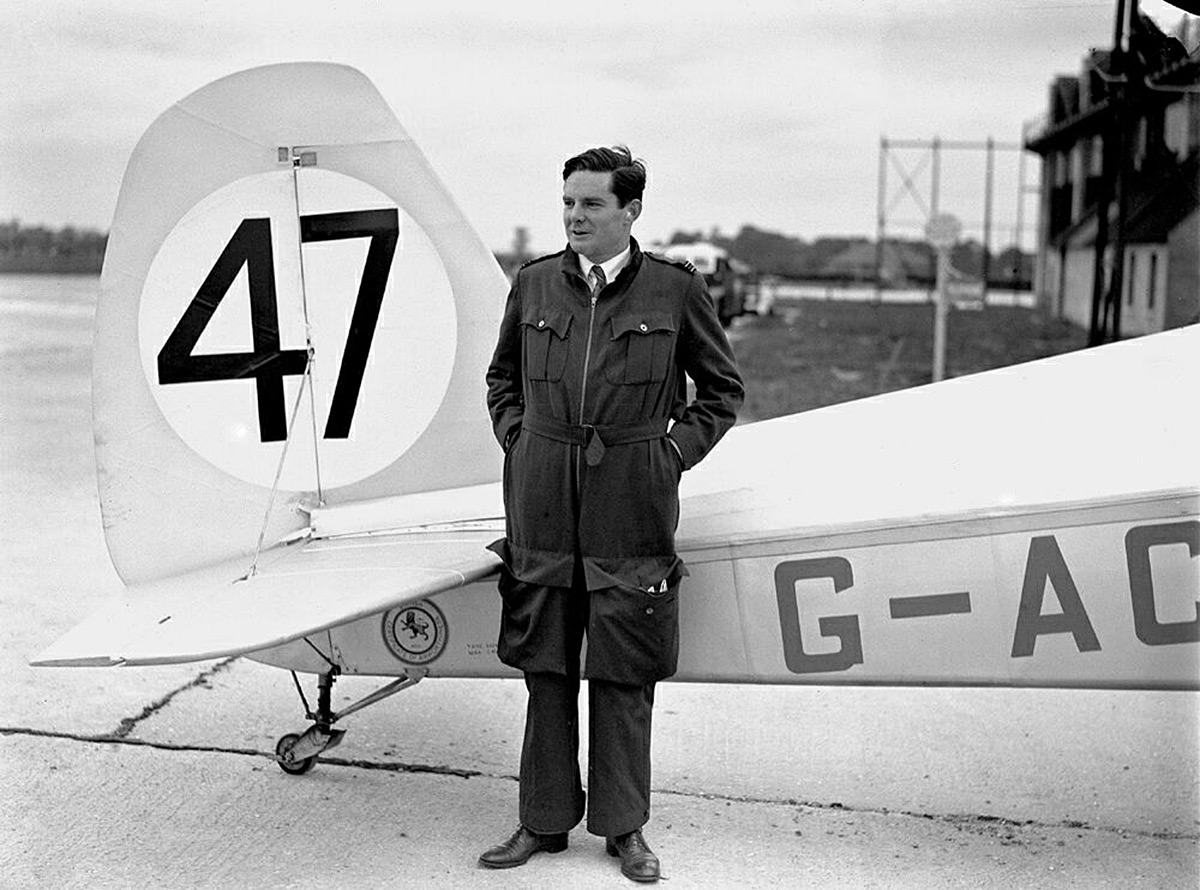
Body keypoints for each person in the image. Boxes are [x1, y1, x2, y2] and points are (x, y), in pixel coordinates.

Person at [481, 145, 743, 883]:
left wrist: (669, 456)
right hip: (541, 500)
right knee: (545, 663)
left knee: (626, 667)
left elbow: (721, 392)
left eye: (591, 204)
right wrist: (518, 438)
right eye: (567, 202)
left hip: (631, 500)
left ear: (630, 211)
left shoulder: (674, 291)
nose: (574, 217)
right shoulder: (534, 286)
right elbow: (502, 376)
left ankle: (625, 829)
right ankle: (543, 820)